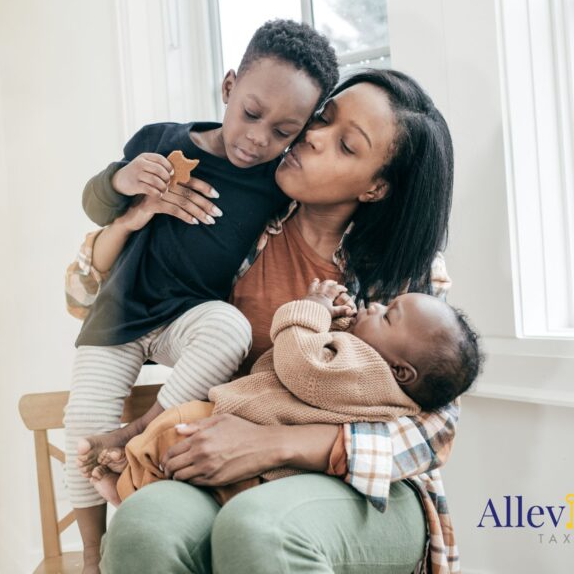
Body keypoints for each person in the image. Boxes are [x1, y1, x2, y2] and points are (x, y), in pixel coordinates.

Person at [68, 69, 462, 573]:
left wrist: (273, 444)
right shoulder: (244, 215)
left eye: (345, 145)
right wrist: (129, 220)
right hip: (225, 467)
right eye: (323, 117)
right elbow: (87, 300)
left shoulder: (405, 270)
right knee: (144, 528)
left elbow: (438, 429)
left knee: (258, 528)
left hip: (366, 489)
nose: (312, 136)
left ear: (376, 187)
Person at [63, 20, 340, 572]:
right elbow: (96, 205)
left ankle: (142, 432)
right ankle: (93, 551)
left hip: (187, 318)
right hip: (118, 313)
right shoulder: (160, 142)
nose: (260, 138)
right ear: (229, 86)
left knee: (230, 330)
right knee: (82, 422)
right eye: (253, 113)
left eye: (284, 131)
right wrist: (124, 182)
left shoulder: (275, 184)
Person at [95, 279, 481, 508]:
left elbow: (304, 367)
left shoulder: (368, 374)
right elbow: (334, 365)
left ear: (401, 370)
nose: (376, 305)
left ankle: (126, 487)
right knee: (174, 437)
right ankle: (130, 476)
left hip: (258, 442)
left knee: (175, 428)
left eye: (388, 315)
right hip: (256, 446)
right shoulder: (376, 380)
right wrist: (342, 321)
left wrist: (310, 310)